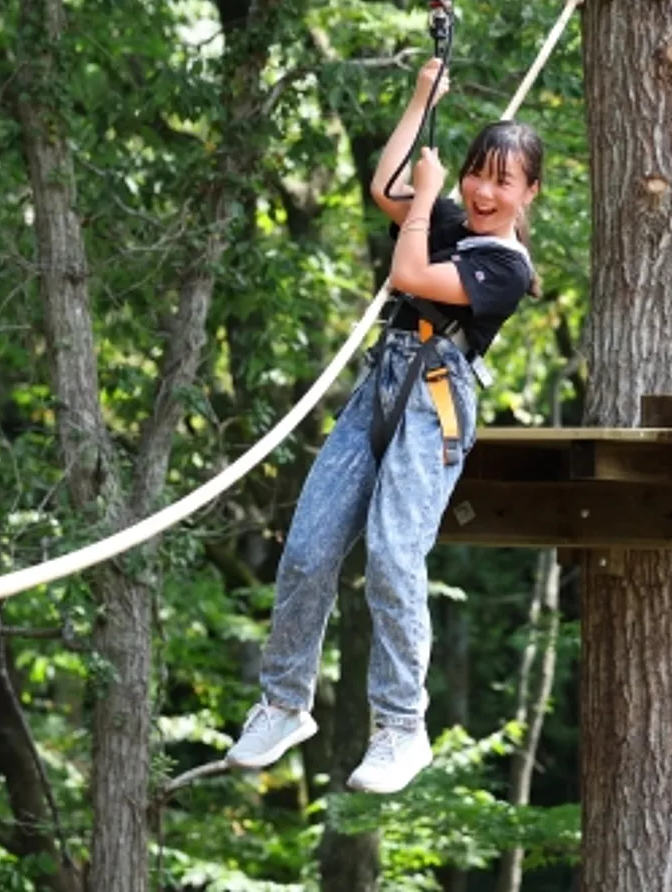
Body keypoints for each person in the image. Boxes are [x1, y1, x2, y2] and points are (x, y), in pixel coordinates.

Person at [224, 58, 543, 793]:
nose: (486, 192)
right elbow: (387, 189)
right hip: (381, 384)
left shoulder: (506, 266)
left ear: (528, 193)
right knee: (306, 547)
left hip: (435, 399)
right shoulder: (454, 218)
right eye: (477, 175)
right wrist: (422, 97)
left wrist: (430, 199)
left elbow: (409, 277)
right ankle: (283, 702)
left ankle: (403, 725)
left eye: (504, 182)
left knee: (395, 556)